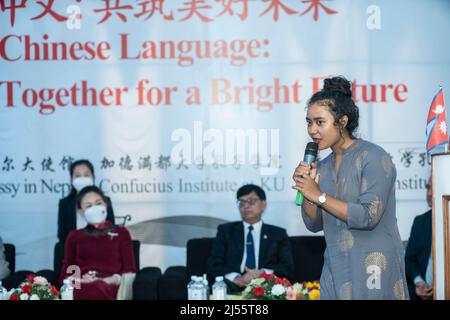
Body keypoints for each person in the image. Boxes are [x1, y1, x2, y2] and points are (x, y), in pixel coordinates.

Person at [292, 76, 408, 300]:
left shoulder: (373, 157)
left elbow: (368, 215)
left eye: (319, 122)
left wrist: (320, 195)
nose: (312, 130)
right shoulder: (322, 166)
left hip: (374, 266)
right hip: (336, 266)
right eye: (308, 122)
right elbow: (313, 224)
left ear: (342, 121)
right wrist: (308, 192)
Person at [207, 184, 294, 293]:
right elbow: (214, 264)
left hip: (266, 287)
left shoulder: (278, 234)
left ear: (264, 204)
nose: (246, 206)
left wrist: (262, 273)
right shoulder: (225, 231)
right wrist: (236, 278)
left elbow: (287, 268)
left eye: (251, 201)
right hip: (233, 286)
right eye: (242, 202)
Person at [59, 186, 136, 300]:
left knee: (98, 287)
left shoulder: (121, 233)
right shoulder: (74, 236)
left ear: (105, 204)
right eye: (88, 206)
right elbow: (68, 270)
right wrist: (80, 280)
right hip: (81, 284)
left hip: (110, 285)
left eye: (98, 203)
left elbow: (129, 270)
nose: (95, 208)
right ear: (80, 211)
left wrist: (107, 280)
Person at [58, 159, 115, 243]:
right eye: (78, 175)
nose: (82, 179)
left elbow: (111, 229)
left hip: (103, 250)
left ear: (93, 177)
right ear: (72, 179)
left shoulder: (105, 200)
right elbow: (62, 235)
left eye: (86, 175)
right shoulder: (65, 203)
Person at [405, 176, 433, 300]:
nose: (430, 193)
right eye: (428, 187)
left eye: (434, 187)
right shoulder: (420, 222)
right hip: (420, 293)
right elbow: (409, 259)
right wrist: (418, 281)